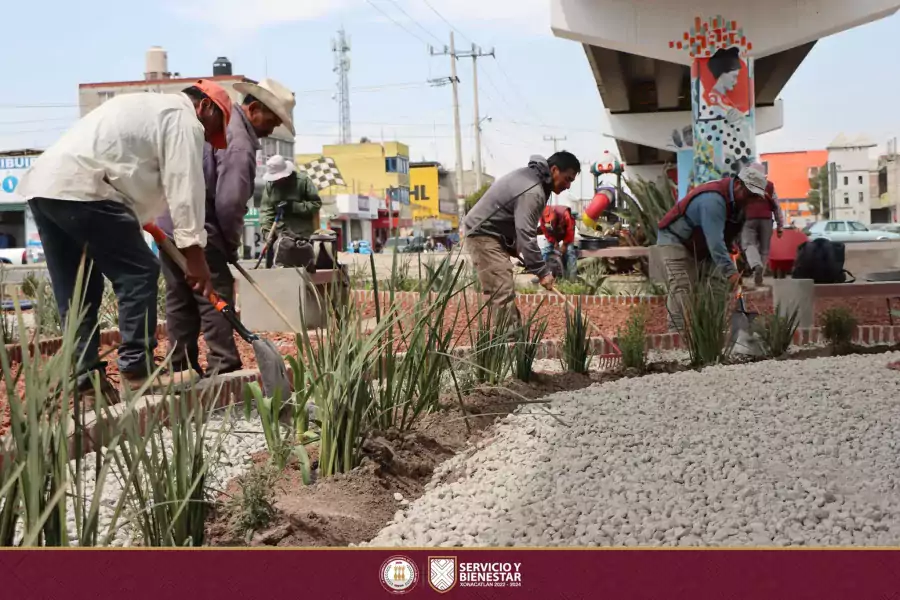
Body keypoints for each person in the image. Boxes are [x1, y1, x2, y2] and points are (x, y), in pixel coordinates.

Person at [17, 79, 231, 397]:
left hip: (45, 188)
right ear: (206, 106)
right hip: (87, 188)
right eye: (215, 127)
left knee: (78, 289)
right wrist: (195, 255)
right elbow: (184, 186)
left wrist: (151, 226)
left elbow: (129, 165)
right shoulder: (184, 117)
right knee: (139, 272)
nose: (210, 139)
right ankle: (136, 370)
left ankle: (85, 386)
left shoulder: (147, 106)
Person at [156, 78, 295, 377]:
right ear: (254, 108)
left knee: (180, 297)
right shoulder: (240, 143)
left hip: (167, 223)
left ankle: (179, 368)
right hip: (200, 227)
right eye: (272, 121)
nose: (273, 129)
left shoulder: (225, 127)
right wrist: (228, 245)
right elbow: (230, 202)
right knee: (213, 296)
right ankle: (225, 367)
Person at [461, 152, 581, 323]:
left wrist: (514, 246)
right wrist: (542, 271)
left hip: (494, 234)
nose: (568, 186)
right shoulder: (533, 190)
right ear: (554, 170)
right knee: (501, 290)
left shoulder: (535, 181)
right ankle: (509, 345)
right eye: (568, 179)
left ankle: (514, 340)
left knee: (502, 290)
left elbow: (519, 225)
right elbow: (526, 233)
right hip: (483, 233)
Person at [655, 162, 769, 331]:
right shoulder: (713, 201)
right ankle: (676, 333)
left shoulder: (740, 204)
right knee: (682, 284)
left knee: (718, 283)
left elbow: (730, 236)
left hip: (701, 245)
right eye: (750, 194)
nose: (751, 200)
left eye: (755, 196)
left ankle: (712, 329)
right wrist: (731, 273)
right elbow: (715, 241)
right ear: (738, 185)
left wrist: (735, 249)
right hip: (675, 240)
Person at [259, 155, 323, 268]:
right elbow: (266, 211)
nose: (278, 181)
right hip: (280, 234)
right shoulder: (270, 186)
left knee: (302, 267)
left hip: (302, 234)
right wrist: (267, 233)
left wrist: (294, 206)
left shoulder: (302, 181)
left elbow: (316, 204)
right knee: (276, 266)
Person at [741, 180, 784, 286]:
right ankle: (759, 278)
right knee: (764, 249)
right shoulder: (769, 185)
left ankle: (756, 264)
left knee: (749, 243)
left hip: (749, 218)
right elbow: (776, 206)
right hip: (766, 219)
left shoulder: (745, 184)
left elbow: (738, 202)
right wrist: (780, 225)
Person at [539, 204, 578, 280]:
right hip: (554, 234)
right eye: (548, 222)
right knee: (545, 251)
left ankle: (572, 280)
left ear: (554, 213)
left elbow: (570, 230)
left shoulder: (564, 213)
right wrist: (554, 242)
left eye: (552, 220)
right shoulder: (542, 218)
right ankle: (541, 276)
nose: (550, 222)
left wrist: (565, 244)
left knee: (570, 252)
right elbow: (545, 231)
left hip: (566, 233)